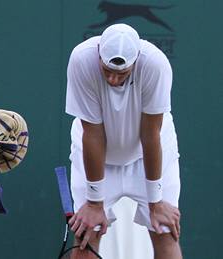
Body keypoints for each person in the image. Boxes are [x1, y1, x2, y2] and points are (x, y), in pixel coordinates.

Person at [65, 23, 182, 259]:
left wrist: (156, 202)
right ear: (98, 52)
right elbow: (93, 134)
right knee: (87, 233)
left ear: (136, 60)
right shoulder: (81, 59)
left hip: (148, 152)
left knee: (165, 231)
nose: (112, 78)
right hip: (96, 154)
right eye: (107, 70)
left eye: (121, 73)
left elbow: (150, 136)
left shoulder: (156, 65)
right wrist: (95, 203)